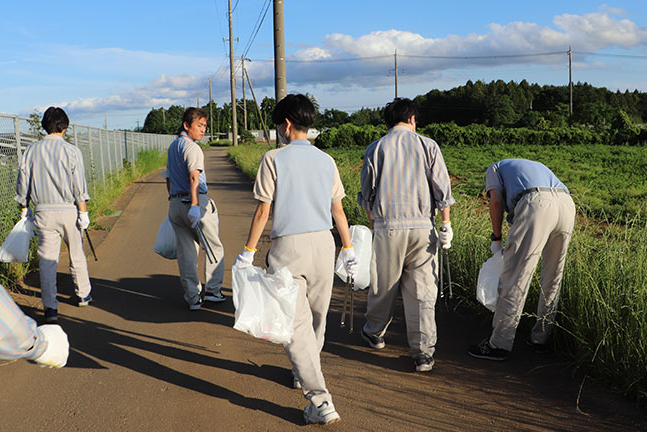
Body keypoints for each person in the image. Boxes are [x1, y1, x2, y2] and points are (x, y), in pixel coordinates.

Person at [234, 94, 358, 425]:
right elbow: (338, 210)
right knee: (316, 320)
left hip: (289, 248)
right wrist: (348, 248)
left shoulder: (273, 158)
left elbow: (264, 210)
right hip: (324, 244)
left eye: (278, 125)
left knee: (294, 325)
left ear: (287, 124)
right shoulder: (326, 160)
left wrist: (247, 253)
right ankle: (302, 373)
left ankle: (320, 400)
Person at [358, 97, 455, 373]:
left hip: (387, 226)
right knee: (422, 290)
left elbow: (367, 195)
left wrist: (375, 224)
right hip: (424, 228)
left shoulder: (375, 148)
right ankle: (423, 353)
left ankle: (375, 332)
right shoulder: (429, 146)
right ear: (412, 119)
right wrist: (445, 225)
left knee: (384, 285)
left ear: (387, 123)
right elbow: (442, 191)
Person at [468, 158, 575, 360]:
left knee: (516, 276)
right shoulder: (530, 165)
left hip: (537, 204)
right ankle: (540, 339)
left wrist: (497, 237)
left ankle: (499, 344)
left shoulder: (494, 168)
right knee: (553, 277)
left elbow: (496, 201)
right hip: (567, 204)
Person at [15, 106, 93, 324]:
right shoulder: (72, 151)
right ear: (65, 126)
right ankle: (83, 294)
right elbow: (79, 186)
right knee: (76, 253)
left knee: (47, 260)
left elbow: (23, 181)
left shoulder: (31, 150)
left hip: (42, 211)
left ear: (44, 126)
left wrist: (24, 207)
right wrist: (83, 213)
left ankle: (50, 308)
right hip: (69, 209)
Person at [166, 108, 226, 311]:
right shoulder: (192, 149)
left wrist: (173, 201)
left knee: (187, 253)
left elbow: (168, 178)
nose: (203, 130)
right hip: (195, 203)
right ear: (186, 125)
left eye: (205, 126)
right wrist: (194, 205)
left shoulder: (173, 146)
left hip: (175, 204)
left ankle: (192, 297)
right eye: (199, 125)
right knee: (212, 247)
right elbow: (194, 177)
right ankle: (213, 291)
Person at [0, 270, 69, 368]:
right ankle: (83, 295)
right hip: (32, 342)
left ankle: (50, 308)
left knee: (47, 262)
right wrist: (38, 344)